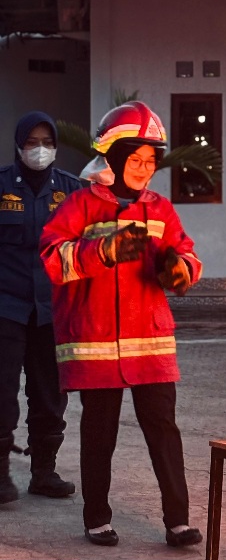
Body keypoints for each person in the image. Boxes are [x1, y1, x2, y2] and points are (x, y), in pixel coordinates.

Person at [39, 101, 203, 548]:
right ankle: (97, 519)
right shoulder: (79, 205)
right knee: (99, 434)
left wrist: (179, 270)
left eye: (151, 161)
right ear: (113, 156)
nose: (145, 169)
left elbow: (188, 255)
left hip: (149, 348)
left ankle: (178, 523)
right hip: (95, 347)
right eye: (136, 160)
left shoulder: (161, 210)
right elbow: (53, 261)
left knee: (164, 434)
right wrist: (103, 252)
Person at [0, 111, 81, 503]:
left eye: (46, 142)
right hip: (6, 308)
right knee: (1, 391)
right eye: (31, 142)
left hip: (52, 310)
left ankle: (44, 472)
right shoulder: (0, 187)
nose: (39, 149)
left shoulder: (71, 190)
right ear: (19, 145)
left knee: (50, 393)